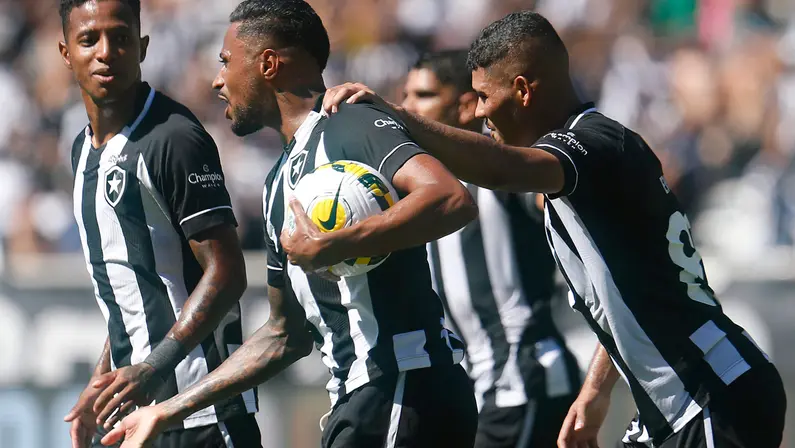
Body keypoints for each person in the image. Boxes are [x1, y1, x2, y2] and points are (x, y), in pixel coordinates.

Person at [321, 11, 787, 448]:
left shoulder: (596, 142)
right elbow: (625, 298)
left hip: (710, 393)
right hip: (679, 403)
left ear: (522, 90)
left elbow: (505, 170)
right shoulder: (582, 169)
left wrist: (396, 119)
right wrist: (596, 390)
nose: (479, 113)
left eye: (485, 97)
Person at [101, 1, 479, 447]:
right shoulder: (277, 181)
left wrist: (339, 243)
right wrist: (167, 410)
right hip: (363, 400)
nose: (217, 80)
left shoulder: (349, 122)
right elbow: (285, 334)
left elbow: (450, 197)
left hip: (404, 387)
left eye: (225, 62)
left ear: (267, 63)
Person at [58, 0, 260, 446]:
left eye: (122, 38)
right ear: (65, 52)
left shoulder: (173, 138)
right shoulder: (82, 149)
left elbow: (226, 273)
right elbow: (139, 288)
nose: (106, 52)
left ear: (144, 47)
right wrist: (104, 375)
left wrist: (154, 367)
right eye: (89, 39)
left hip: (202, 412)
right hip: (139, 414)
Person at [403, 50, 581, 448]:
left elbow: (558, 199)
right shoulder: (425, 177)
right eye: (405, 95)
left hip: (523, 382)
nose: (406, 108)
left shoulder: (501, 168)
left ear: (466, 105)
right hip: (479, 390)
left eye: (423, 95)